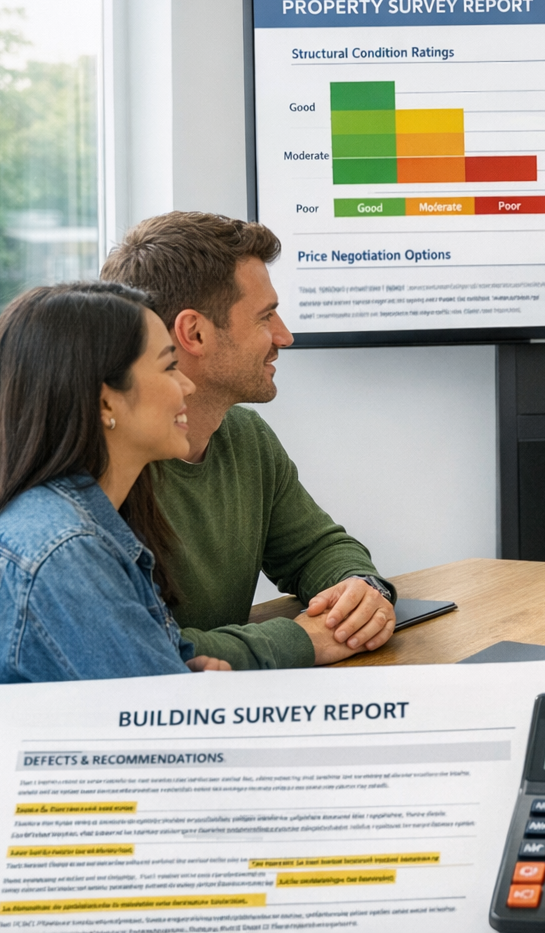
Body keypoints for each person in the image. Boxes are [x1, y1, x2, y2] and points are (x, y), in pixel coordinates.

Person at [0, 283, 334, 709]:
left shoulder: (82, 521)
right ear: (105, 403)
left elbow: (155, 684)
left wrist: (181, 676)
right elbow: (163, 724)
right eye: (169, 367)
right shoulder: (65, 551)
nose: (186, 388)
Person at [100, 212, 395, 667]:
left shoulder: (242, 435)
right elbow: (138, 649)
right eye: (265, 316)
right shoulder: (107, 463)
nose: (285, 336)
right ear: (194, 333)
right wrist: (298, 641)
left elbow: (315, 549)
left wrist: (361, 591)